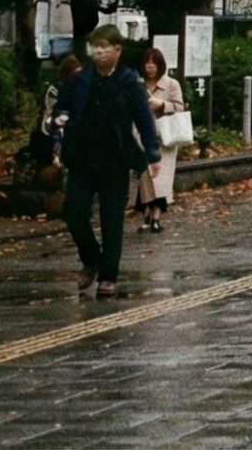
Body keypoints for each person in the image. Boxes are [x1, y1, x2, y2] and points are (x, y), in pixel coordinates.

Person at [52, 25, 161, 299]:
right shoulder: (80, 80)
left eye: (104, 47)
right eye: (95, 47)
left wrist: (152, 153)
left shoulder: (128, 82)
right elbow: (60, 110)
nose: (99, 52)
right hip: (82, 159)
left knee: (112, 220)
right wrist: (59, 132)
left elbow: (144, 120)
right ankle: (91, 258)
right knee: (73, 211)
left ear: (117, 50)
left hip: (116, 160)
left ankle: (108, 276)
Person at [135, 47, 185, 233]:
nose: (150, 67)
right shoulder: (138, 85)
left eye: (153, 63)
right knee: (145, 178)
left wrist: (162, 104)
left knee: (161, 180)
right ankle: (147, 215)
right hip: (142, 137)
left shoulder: (171, 84)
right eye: (147, 63)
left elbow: (180, 107)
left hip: (166, 138)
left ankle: (156, 216)